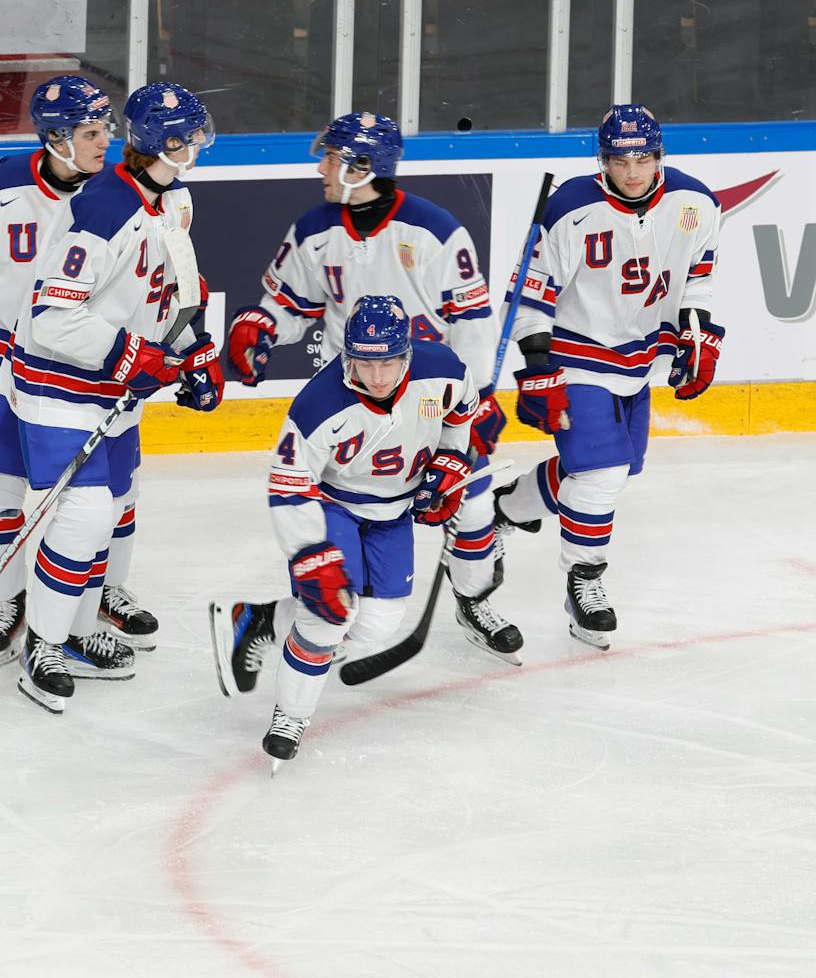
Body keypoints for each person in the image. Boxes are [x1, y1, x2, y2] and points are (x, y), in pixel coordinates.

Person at [221, 113, 518, 659]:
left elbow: (472, 323)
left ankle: (474, 597)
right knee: (346, 524)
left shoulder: (434, 230)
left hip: (431, 401)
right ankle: (299, 625)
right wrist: (261, 325)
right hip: (355, 403)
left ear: (363, 167)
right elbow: (291, 303)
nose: (321, 168)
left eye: (332, 159)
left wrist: (479, 395)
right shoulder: (314, 229)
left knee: (471, 504)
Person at [0, 77, 160, 672]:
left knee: (113, 491)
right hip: (7, 371)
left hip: (92, 372)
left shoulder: (122, 192)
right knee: (0, 491)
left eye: (108, 130)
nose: (108, 143)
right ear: (55, 138)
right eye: (92, 133)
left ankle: (97, 602)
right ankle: (9, 601)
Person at [5, 81, 224, 712]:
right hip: (57, 385)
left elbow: (182, 281)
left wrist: (197, 353)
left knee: (119, 502)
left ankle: (76, 631)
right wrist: (139, 358)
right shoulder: (101, 210)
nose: (202, 147)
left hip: (113, 388)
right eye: (194, 138)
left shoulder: (172, 200)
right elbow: (51, 317)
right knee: (84, 515)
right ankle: (41, 646)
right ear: (167, 143)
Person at [211, 295, 481, 769]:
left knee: (378, 622)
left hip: (394, 511)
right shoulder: (319, 404)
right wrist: (311, 555)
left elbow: (461, 414)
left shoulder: (444, 371)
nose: (376, 377)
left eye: (389, 363)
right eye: (363, 363)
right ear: (346, 354)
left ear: (407, 355)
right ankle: (289, 716)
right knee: (327, 617)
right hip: (331, 505)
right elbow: (289, 486)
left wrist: (451, 462)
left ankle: (260, 621)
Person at [492, 105, 722, 648]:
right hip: (576, 350)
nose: (633, 171)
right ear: (603, 161)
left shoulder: (697, 203)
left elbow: (699, 279)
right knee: (603, 475)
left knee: (603, 469)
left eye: (643, 157)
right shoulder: (571, 208)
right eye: (620, 160)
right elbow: (529, 298)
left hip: (638, 358)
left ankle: (504, 509)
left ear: (660, 154)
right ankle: (584, 582)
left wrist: (698, 333)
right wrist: (540, 367)